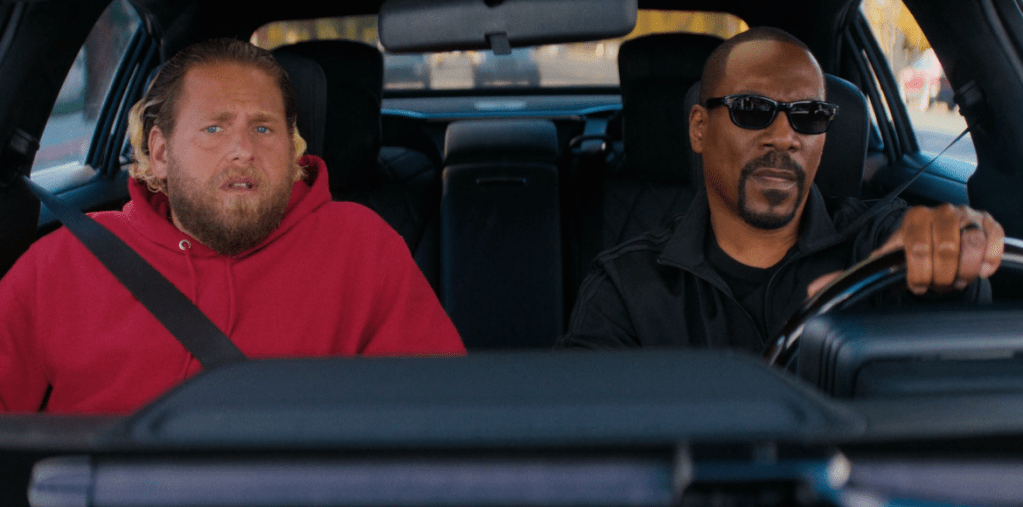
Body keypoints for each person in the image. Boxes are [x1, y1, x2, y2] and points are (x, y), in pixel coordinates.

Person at [0, 38, 465, 414]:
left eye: (263, 129)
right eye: (214, 128)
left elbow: (439, 420)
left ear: (292, 154)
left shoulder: (362, 249)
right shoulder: (61, 264)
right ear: (160, 154)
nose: (243, 150)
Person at [557, 27, 1004, 351]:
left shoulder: (878, 249)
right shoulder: (625, 289)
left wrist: (954, 248)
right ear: (699, 128)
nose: (785, 136)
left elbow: (943, 289)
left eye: (809, 115)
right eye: (752, 109)